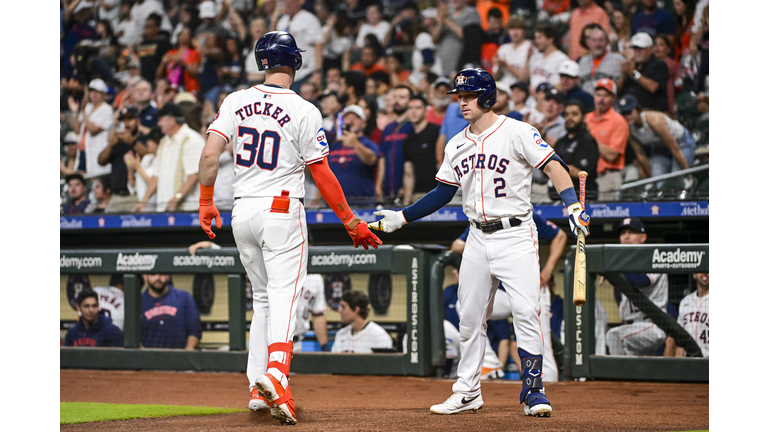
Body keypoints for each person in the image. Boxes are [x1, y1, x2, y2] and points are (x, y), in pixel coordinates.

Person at [371, 68, 591, 417]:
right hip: (476, 235)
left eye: (469, 96)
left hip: (516, 233)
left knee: (526, 312)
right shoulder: (457, 142)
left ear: (488, 97)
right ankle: (468, 391)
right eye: (459, 97)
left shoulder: (518, 131)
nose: (462, 102)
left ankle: (533, 390)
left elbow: (554, 167)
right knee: (470, 317)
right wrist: (403, 217)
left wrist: (573, 204)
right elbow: (444, 191)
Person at [196, 31, 381, 426]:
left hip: (241, 211)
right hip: (281, 209)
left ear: (261, 61)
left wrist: (205, 201)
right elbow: (323, 174)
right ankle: (277, 377)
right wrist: (350, 220)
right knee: (286, 296)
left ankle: (255, 390)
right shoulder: (305, 109)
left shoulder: (234, 100)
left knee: (262, 299)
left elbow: (210, 154)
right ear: (294, 62)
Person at [605, 218, 669, 356]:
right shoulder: (623, 265)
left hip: (652, 325)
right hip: (631, 326)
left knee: (614, 336)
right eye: (623, 233)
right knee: (642, 371)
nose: (626, 236)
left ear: (643, 237)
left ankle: (618, 378)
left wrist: (613, 270)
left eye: (632, 232)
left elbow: (642, 281)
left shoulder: (654, 256)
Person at [144, 102, 205, 212]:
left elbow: (195, 175)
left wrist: (175, 199)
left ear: (171, 120)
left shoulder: (191, 140)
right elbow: (156, 175)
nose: (158, 123)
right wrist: (144, 201)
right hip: (164, 209)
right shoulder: (164, 142)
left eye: (160, 119)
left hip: (187, 210)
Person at [617, 94, 694, 178]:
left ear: (637, 109)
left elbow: (674, 148)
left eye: (629, 112)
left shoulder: (653, 120)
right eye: (624, 114)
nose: (627, 116)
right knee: (658, 181)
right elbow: (640, 154)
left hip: (681, 143)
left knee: (676, 178)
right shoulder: (628, 128)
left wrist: (687, 173)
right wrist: (651, 178)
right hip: (660, 149)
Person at [323, 105, 380, 205]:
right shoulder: (334, 146)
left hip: (362, 203)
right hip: (335, 204)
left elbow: (371, 159)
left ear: (363, 123)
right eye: (347, 117)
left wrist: (355, 143)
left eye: (356, 117)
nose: (351, 120)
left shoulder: (368, 143)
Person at [584, 78, 629, 201]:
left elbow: (612, 155)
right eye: (598, 95)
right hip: (587, 176)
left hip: (609, 176)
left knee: (607, 215)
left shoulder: (618, 121)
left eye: (606, 95)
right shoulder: (587, 118)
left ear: (613, 98)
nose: (601, 99)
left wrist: (589, 137)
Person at [99, 106, 145, 212]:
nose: (126, 123)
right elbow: (101, 161)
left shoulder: (143, 138)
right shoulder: (117, 141)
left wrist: (132, 142)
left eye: (129, 120)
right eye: (123, 120)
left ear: (137, 121)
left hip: (137, 196)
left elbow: (149, 154)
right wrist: (111, 145)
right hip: (116, 197)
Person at [551, 101, 599, 201]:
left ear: (583, 117)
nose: (569, 117)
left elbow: (579, 172)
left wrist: (553, 166)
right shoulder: (561, 142)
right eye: (567, 114)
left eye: (574, 114)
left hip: (582, 199)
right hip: (557, 198)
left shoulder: (587, 141)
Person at [272, 0, 324, 92]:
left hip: (305, 71)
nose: (288, 4)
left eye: (291, 2)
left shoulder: (309, 19)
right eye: (286, 2)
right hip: (286, 73)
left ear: (299, 2)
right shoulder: (282, 21)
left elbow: (318, 44)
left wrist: (318, 72)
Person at [141, 273, 202, 350]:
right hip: (148, 359)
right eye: (153, 274)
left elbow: (195, 330)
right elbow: (131, 336)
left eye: (162, 273)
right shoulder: (137, 302)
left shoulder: (184, 298)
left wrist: (187, 354)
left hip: (179, 359)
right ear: (145, 276)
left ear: (168, 275)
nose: (158, 278)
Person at [68, 79, 115, 179]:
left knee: (96, 179)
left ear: (103, 94)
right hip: (83, 151)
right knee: (81, 179)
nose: (93, 94)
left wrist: (83, 111)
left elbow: (93, 130)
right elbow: (77, 130)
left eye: (97, 92)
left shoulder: (106, 109)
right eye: (91, 91)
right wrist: (75, 113)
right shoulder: (88, 107)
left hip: (97, 151)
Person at [376, 85, 414, 201]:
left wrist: (407, 187)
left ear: (410, 101)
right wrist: (378, 185)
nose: (397, 101)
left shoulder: (413, 126)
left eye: (402, 97)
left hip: (407, 188)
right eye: (395, 97)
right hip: (388, 190)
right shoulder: (388, 128)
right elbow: (382, 158)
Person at [402, 95, 441, 205]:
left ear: (426, 111)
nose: (413, 112)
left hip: (438, 193)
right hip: (418, 195)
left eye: (418, 108)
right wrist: (406, 203)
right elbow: (409, 173)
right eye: (410, 108)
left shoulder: (437, 132)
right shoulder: (408, 140)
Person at [619, 32, 670, 114]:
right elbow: (617, 91)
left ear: (650, 49)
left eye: (641, 48)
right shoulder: (632, 65)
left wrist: (633, 72)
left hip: (652, 112)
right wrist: (624, 75)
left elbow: (653, 87)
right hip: (630, 112)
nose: (637, 51)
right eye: (635, 48)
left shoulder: (659, 64)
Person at [432, 0, 482, 77]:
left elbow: (467, 35)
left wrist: (446, 19)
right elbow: (434, 39)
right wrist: (441, 22)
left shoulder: (471, 13)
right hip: (442, 58)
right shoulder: (448, 12)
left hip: (459, 59)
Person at [664, 272, 708, 358]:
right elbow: (678, 336)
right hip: (689, 360)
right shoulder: (685, 301)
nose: (705, 274)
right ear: (694, 275)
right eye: (701, 271)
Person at [577, 25, 625, 95]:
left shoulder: (618, 59)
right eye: (594, 40)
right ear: (589, 43)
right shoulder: (582, 62)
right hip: (585, 103)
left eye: (601, 40)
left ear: (607, 42)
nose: (597, 44)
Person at [524, 23, 569, 95]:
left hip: (550, 100)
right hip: (531, 102)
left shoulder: (562, 59)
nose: (536, 41)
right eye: (536, 38)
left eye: (540, 38)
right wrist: (527, 58)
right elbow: (524, 79)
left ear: (550, 40)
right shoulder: (535, 57)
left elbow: (562, 86)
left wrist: (540, 92)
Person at [126, 127, 162, 212]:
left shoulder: (162, 159)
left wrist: (138, 167)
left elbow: (155, 184)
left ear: (157, 142)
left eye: (150, 141)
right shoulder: (147, 158)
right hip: (141, 203)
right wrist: (131, 170)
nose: (147, 143)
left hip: (155, 206)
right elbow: (133, 187)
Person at [492, 15, 532, 89]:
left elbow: (524, 79)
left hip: (520, 89)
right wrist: (500, 66)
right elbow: (494, 78)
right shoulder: (503, 48)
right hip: (502, 88)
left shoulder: (530, 47)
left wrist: (505, 65)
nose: (515, 32)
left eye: (518, 28)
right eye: (512, 29)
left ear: (524, 31)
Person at [137, 14, 172, 83]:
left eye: (149, 27)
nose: (147, 29)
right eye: (146, 27)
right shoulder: (143, 44)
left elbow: (167, 63)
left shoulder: (164, 43)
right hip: (145, 79)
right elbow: (143, 62)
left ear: (157, 28)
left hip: (160, 79)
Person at [653, 34, 681, 119]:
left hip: (667, 100)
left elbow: (678, 83)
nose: (657, 48)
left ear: (668, 49)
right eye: (655, 44)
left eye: (661, 45)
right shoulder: (649, 63)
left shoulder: (671, 64)